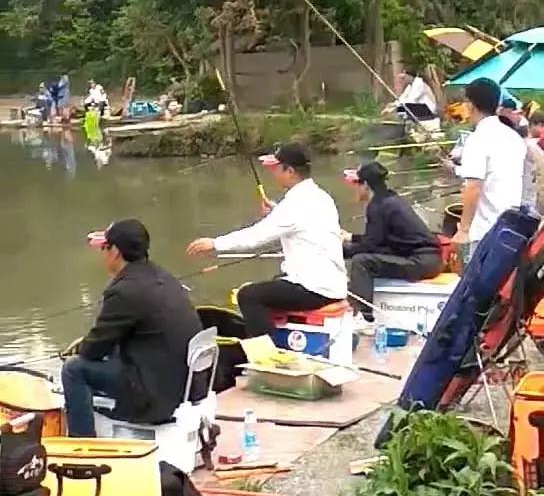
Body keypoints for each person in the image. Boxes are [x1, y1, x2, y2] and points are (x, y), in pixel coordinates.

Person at [187, 142, 347, 338]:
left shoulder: (295, 204)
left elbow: (256, 237)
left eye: (277, 168)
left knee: (248, 295)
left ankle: (265, 352)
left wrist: (215, 244)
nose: (274, 173)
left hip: (314, 289)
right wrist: (276, 211)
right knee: (272, 283)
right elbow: (298, 223)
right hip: (332, 283)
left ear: (289, 170)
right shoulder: (319, 196)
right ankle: (275, 338)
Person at [62, 219, 203, 437]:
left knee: (74, 369)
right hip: (185, 384)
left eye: (104, 248)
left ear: (115, 251)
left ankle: (83, 445)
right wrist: (90, 341)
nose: (103, 254)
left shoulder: (123, 291)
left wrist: (84, 346)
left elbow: (93, 351)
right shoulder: (164, 277)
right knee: (109, 353)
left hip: (155, 393)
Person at [342, 160, 442, 324]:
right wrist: (351, 238)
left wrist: (338, 251)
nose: (355, 190)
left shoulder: (377, 206)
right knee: (364, 257)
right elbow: (378, 240)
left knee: (361, 262)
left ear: (365, 185)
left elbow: (370, 247)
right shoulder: (390, 199)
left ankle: (363, 316)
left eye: (356, 185)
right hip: (430, 259)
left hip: (420, 262)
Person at [452, 78, 526, 258]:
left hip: (485, 231)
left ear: (470, 104)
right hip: (512, 228)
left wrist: (463, 230)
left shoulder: (478, 138)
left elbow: (474, 187)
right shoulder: (513, 136)